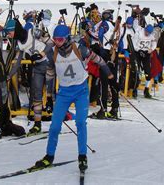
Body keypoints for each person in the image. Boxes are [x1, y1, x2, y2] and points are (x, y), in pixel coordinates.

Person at [34, 25, 112, 172]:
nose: (57, 42)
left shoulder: (79, 49)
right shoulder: (53, 53)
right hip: (63, 93)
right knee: (55, 126)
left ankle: (82, 156)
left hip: (81, 91)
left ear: (67, 38)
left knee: (81, 123)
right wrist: (49, 96)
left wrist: (109, 74)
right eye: (55, 39)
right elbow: (50, 73)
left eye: (60, 39)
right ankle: (49, 156)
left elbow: (99, 60)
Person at [4, 18, 50, 135]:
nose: (8, 35)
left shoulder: (33, 32)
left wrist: (41, 54)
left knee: (53, 95)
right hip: (38, 67)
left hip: (50, 63)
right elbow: (18, 61)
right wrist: (9, 76)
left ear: (15, 30)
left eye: (9, 32)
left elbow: (51, 43)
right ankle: (37, 124)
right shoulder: (19, 43)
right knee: (36, 95)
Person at [132, 24, 157, 97]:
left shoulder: (151, 35)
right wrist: (139, 50)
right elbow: (134, 44)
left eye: (148, 33)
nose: (147, 34)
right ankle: (134, 89)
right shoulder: (139, 33)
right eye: (146, 32)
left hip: (146, 54)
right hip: (138, 53)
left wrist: (151, 49)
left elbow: (154, 43)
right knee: (137, 71)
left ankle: (146, 90)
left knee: (148, 73)